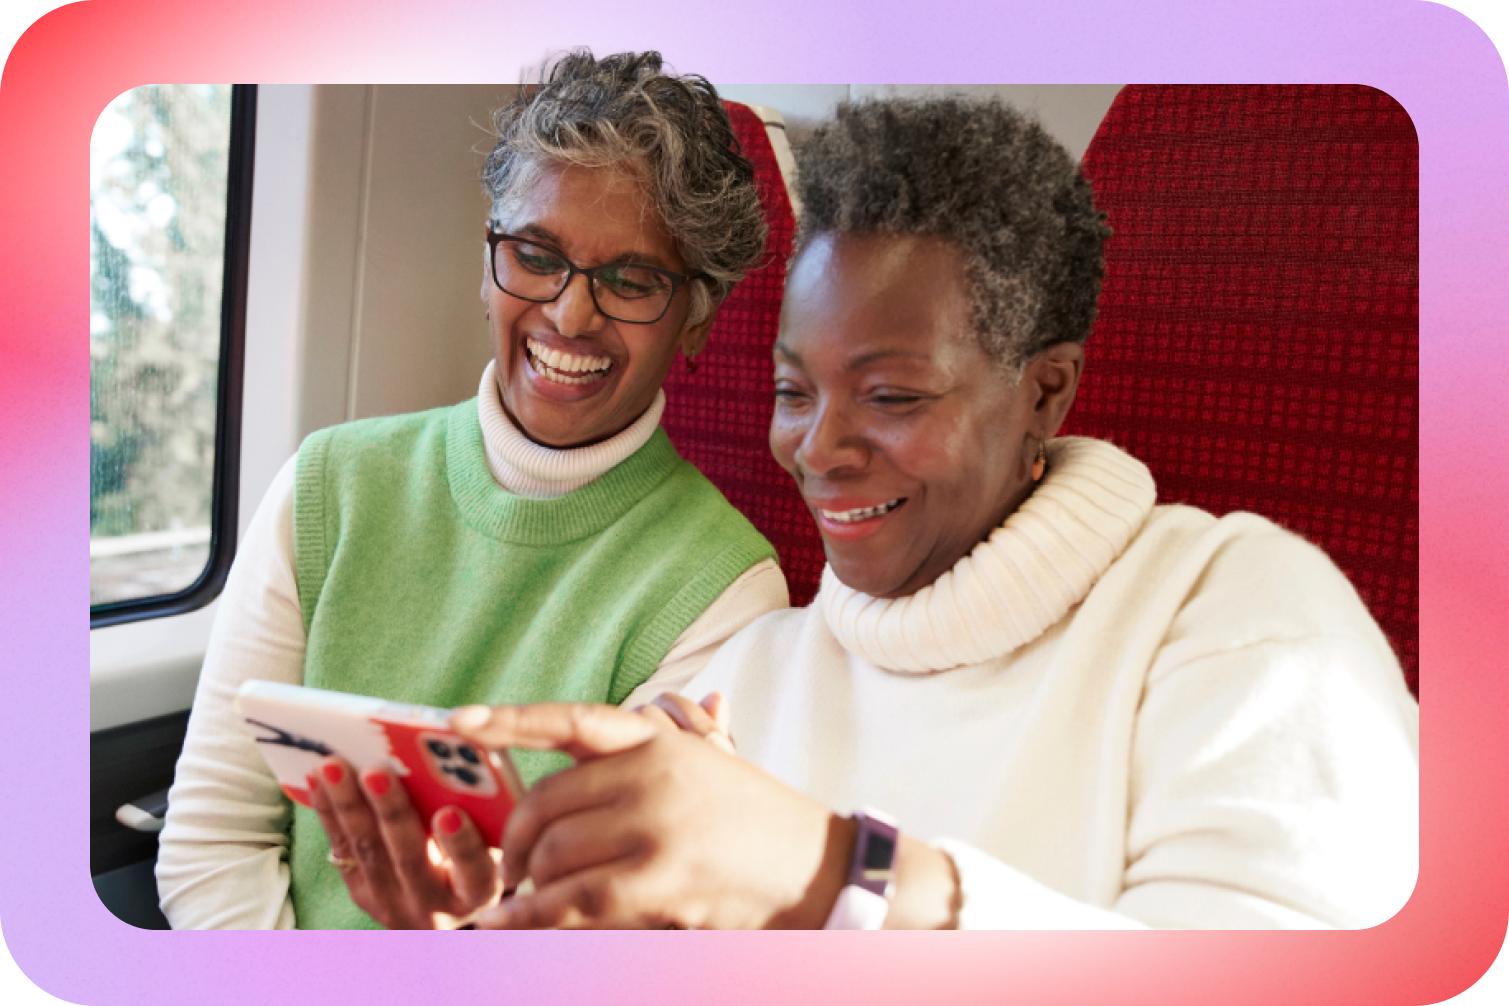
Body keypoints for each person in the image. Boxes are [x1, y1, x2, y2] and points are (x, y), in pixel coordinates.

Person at [450, 96, 1421, 930]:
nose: (819, 449)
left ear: (1046, 392)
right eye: (794, 392)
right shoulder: (747, 673)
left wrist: (839, 876)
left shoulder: (1236, 613)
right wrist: (476, 915)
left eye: (893, 397)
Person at [155, 51, 790, 929]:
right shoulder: (328, 485)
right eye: (536, 255)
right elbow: (212, 838)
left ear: (697, 316)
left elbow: (585, 929)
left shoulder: (722, 588)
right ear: (488, 262)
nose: (570, 315)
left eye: (633, 280)